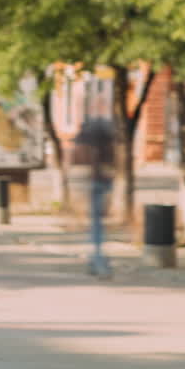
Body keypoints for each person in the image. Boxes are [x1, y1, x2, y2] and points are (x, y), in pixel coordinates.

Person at [75, 88, 116, 278]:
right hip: (100, 180)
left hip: (97, 180)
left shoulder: (92, 127)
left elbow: (80, 153)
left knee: (97, 223)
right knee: (97, 223)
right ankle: (97, 259)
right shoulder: (105, 127)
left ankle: (97, 259)